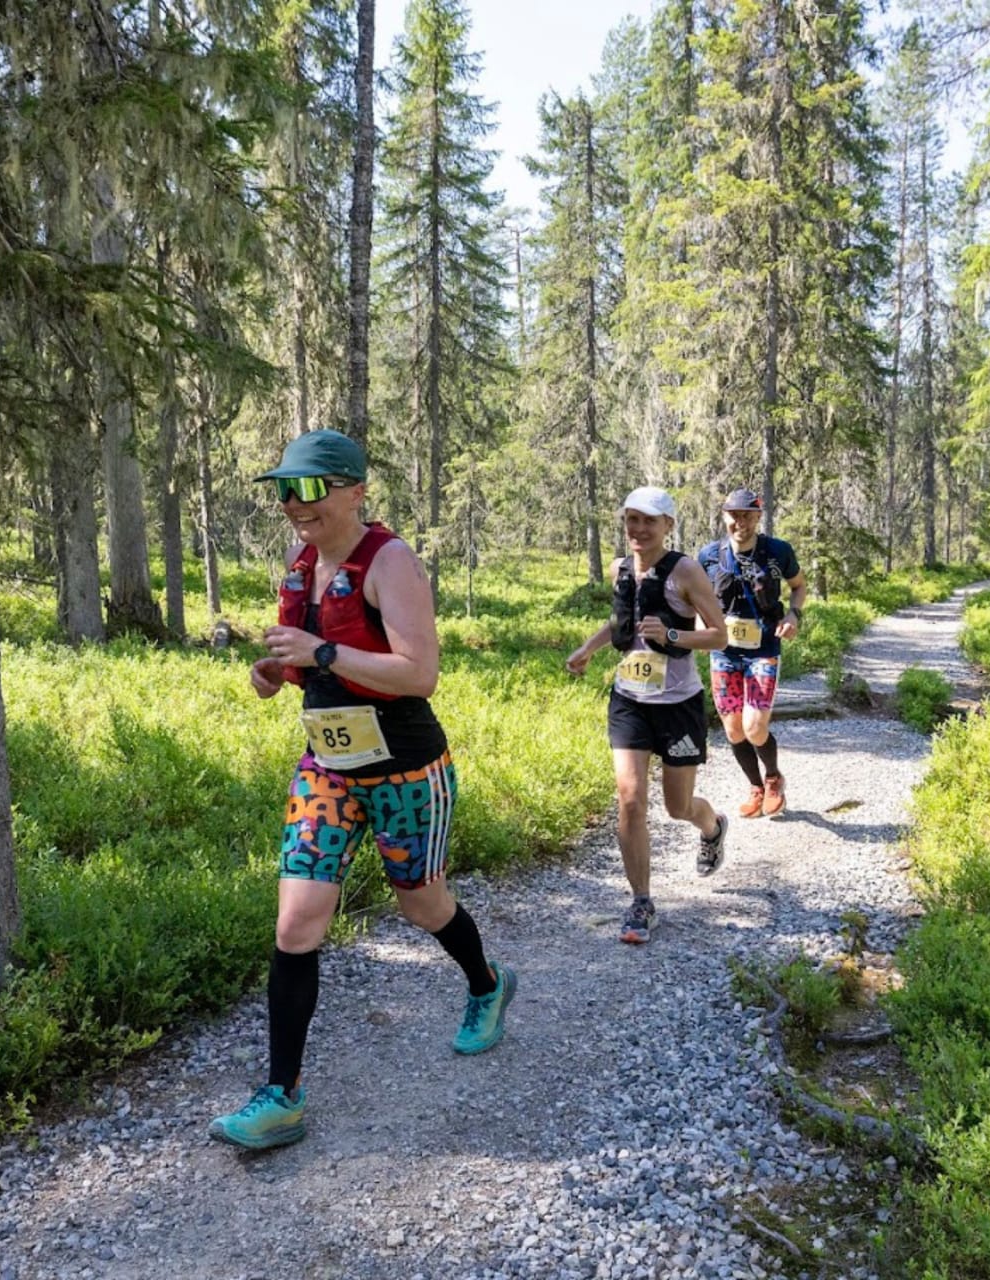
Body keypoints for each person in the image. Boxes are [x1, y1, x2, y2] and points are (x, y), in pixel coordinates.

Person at [209, 428, 516, 1151]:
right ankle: (281, 1096)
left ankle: (486, 983)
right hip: (326, 767)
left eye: (310, 490)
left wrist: (323, 651)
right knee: (295, 924)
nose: (295, 505)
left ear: (354, 490)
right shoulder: (300, 564)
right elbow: (297, 663)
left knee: (422, 904)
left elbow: (418, 673)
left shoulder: (391, 562)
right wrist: (271, 672)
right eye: (285, 491)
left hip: (406, 767)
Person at [565, 486, 730, 944]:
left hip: (678, 705)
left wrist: (674, 634)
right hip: (629, 700)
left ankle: (712, 826)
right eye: (631, 520)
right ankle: (641, 901)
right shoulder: (621, 568)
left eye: (649, 521)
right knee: (631, 799)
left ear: (668, 526)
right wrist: (588, 649)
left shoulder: (686, 571)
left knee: (678, 807)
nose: (638, 530)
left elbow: (718, 636)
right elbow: (623, 622)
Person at [696, 488, 807, 819]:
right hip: (724, 652)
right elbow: (696, 597)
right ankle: (755, 787)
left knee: (755, 726)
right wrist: (701, 626)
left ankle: (773, 778)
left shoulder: (777, 551)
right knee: (733, 729)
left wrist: (793, 616)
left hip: (764, 649)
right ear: (724, 516)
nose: (740, 522)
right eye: (734, 515)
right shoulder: (709, 556)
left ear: (759, 517)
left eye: (747, 515)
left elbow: (799, 586)